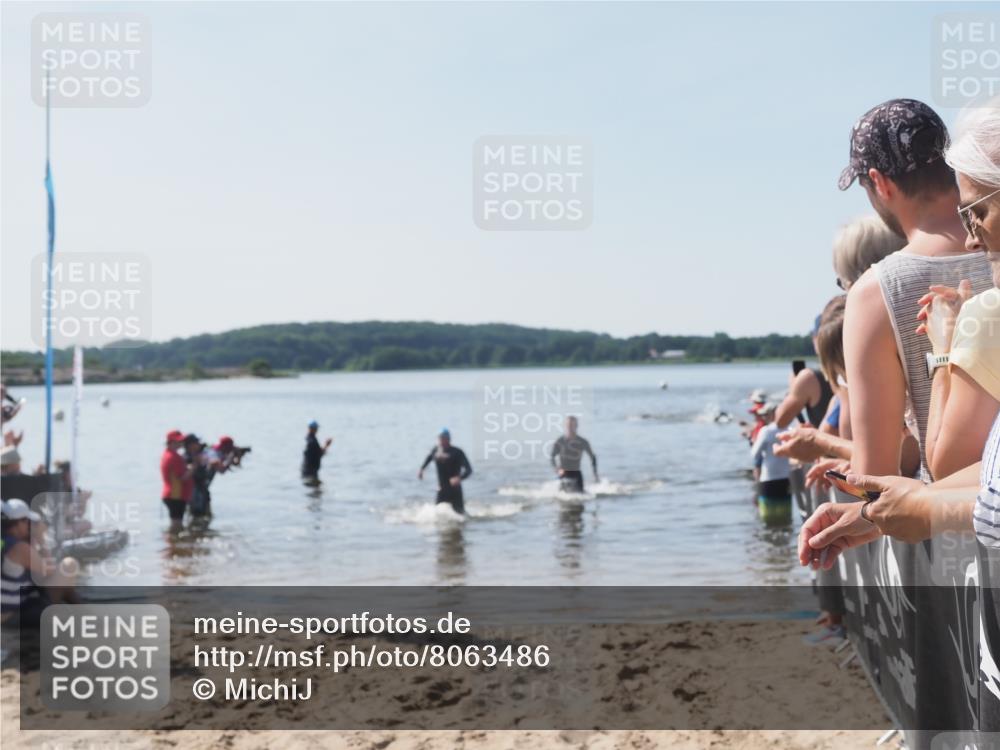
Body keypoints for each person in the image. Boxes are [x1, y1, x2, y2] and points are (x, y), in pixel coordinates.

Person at [838, 98, 993, 480]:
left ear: (879, 182)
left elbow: (874, 475)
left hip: (947, 513)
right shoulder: (993, 250)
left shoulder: (876, 293)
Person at [1, 498, 76, 629]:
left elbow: (38, 576)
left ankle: (81, 608)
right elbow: (49, 570)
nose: (30, 526)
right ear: (19, 524)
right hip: (10, 617)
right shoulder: (19, 548)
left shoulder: (6, 542)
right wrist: (42, 539)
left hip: (14, 607)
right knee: (68, 566)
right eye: (28, 522)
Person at [750, 403, 792, 524]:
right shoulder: (789, 429)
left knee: (768, 518)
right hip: (785, 478)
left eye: (766, 414)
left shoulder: (766, 431)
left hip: (768, 478)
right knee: (785, 517)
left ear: (772, 414)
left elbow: (754, 454)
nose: (764, 417)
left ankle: (770, 536)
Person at [418, 429, 472, 514]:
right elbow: (429, 458)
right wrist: (422, 469)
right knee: (436, 513)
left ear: (448, 439)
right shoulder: (435, 450)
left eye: (442, 438)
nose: (440, 440)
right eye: (439, 438)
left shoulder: (457, 452)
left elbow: (469, 470)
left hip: (455, 490)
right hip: (442, 489)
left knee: (461, 515)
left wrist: (459, 478)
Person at [549, 416, 599, 493]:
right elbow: (552, 456)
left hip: (576, 473)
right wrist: (557, 469)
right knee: (562, 495)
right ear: (565, 426)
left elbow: (592, 457)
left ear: (576, 426)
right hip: (563, 473)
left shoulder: (582, 442)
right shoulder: (560, 441)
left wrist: (595, 474)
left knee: (581, 495)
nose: (570, 428)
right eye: (568, 425)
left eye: (572, 425)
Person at [160, 429, 192, 530]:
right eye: (177, 441)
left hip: (172, 494)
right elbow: (182, 477)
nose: (180, 443)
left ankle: (173, 539)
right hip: (175, 495)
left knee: (176, 524)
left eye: (181, 441)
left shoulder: (167, 454)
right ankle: (172, 539)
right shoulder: (174, 457)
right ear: (170, 442)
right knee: (177, 524)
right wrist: (194, 468)